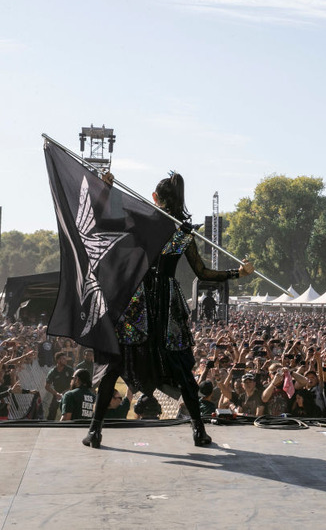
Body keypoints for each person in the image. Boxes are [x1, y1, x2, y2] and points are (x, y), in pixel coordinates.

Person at [83, 172, 254, 448]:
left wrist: (105, 191)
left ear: (155, 198)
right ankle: (199, 430)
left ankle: (95, 430)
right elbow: (203, 271)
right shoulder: (183, 231)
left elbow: (102, 223)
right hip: (167, 306)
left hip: (139, 303)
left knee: (115, 364)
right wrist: (238, 273)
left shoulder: (142, 222)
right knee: (182, 369)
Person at [45, 352, 73, 420]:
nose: (65, 360)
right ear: (58, 360)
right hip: (57, 394)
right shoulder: (53, 372)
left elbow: (74, 383)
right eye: (63, 359)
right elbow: (47, 386)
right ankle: (49, 425)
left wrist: (67, 391)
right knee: (52, 410)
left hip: (68, 393)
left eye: (65, 359)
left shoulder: (70, 370)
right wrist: (56, 393)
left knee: (70, 411)